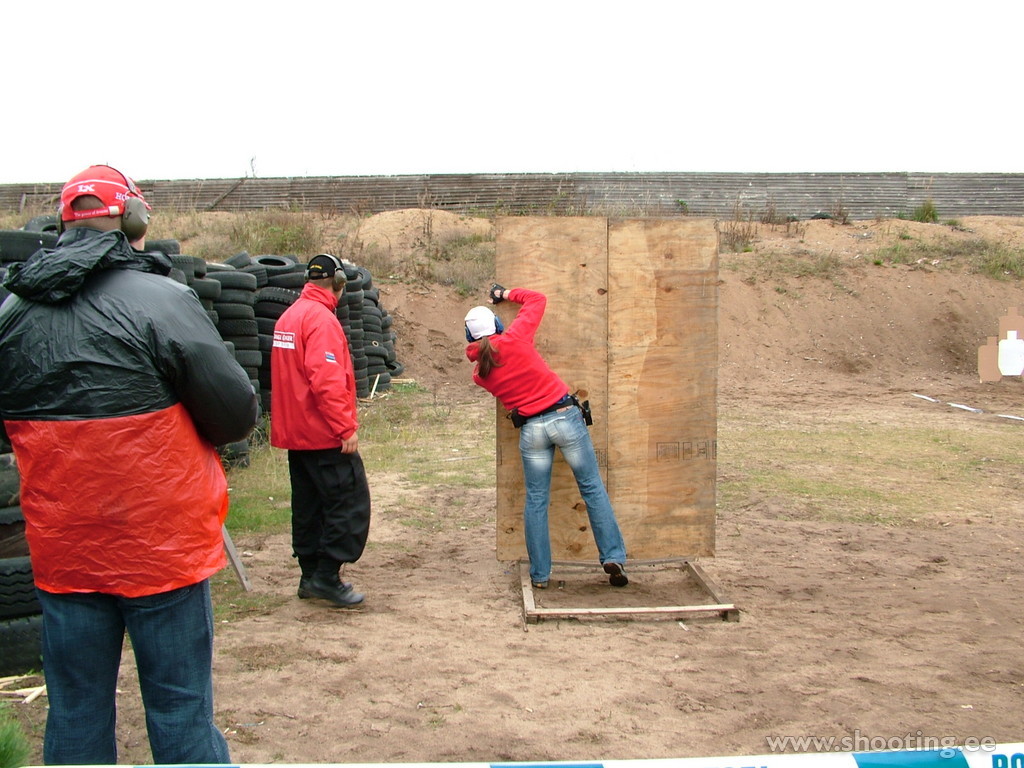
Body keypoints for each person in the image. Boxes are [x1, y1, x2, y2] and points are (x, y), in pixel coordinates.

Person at [0, 164, 259, 765]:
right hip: (160, 549)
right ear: (134, 219)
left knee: (75, 709)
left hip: (64, 550)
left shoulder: (11, 309)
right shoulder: (163, 299)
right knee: (179, 710)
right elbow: (235, 415)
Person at [464, 284, 628, 589]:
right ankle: (613, 556)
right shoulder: (515, 338)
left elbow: (490, 358)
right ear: (498, 326)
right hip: (565, 418)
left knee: (536, 501)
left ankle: (540, 575)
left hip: (532, 431)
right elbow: (537, 299)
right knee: (592, 488)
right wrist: (504, 294)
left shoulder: (479, 375)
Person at [270, 253, 370, 608]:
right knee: (348, 503)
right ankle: (328, 576)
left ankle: (309, 577)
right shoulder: (321, 320)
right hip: (323, 434)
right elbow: (326, 381)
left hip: (296, 435)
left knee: (309, 507)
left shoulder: (288, 316)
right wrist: (345, 428)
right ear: (339, 283)